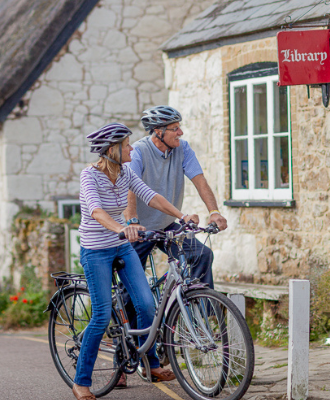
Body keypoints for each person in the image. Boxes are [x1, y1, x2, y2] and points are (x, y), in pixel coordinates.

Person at [73, 123, 199, 400]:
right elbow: (95, 210)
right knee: (102, 316)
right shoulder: (89, 176)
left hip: (122, 247)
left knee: (146, 305)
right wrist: (119, 228)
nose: (132, 148)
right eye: (128, 145)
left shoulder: (126, 172)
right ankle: (81, 381)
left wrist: (182, 215)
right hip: (96, 251)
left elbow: (150, 197)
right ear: (112, 149)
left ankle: (151, 363)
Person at [124, 105, 227, 289]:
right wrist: (132, 222)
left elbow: (200, 181)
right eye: (174, 128)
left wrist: (214, 211)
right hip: (139, 230)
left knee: (201, 255)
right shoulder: (138, 151)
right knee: (132, 287)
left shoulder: (183, 148)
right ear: (158, 131)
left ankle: (200, 313)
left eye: (179, 127)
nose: (180, 132)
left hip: (166, 225)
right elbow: (129, 188)